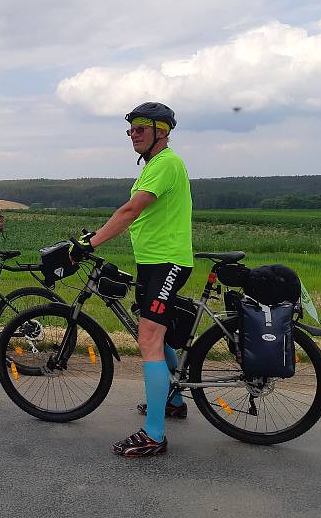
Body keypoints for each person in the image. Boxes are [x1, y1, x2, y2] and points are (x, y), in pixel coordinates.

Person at [74, 102, 193, 457]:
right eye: (131, 129)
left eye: (141, 127)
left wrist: (88, 243)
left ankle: (154, 435)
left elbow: (130, 211)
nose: (133, 135)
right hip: (153, 262)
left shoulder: (166, 163)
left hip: (167, 262)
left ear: (163, 131)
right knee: (160, 333)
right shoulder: (155, 165)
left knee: (148, 339)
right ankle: (173, 399)